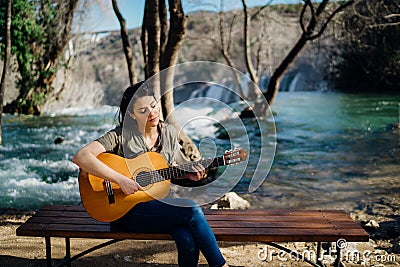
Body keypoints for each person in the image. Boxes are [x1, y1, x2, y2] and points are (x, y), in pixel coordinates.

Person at [72, 81, 228, 267]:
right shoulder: (120, 135)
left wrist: (187, 176)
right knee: (192, 209)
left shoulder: (169, 133)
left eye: (154, 106)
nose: (152, 113)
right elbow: (81, 156)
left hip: (161, 207)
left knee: (185, 236)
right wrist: (121, 180)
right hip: (125, 211)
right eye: (143, 110)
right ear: (131, 114)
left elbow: (165, 170)